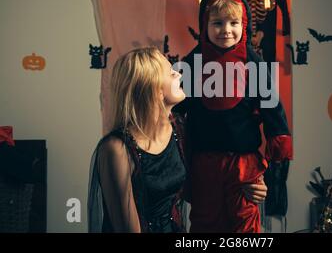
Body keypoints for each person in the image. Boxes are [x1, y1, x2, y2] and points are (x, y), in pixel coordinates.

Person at [87, 47, 267, 233]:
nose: (178, 74)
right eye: (170, 72)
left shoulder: (179, 128)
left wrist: (249, 183)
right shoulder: (116, 149)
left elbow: (214, 167)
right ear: (154, 89)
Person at [173, 0, 293, 233]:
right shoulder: (193, 61)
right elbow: (177, 106)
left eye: (233, 23)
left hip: (243, 161)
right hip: (204, 160)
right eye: (217, 23)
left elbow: (271, 106)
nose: (226, 30)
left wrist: (278, 139)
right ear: (204, 26)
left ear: (244, 25)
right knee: (205, 221)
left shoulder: (254, 63)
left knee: (245, 224)